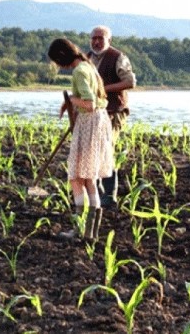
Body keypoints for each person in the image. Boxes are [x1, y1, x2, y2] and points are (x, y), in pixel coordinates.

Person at [47, 38, 114, 240]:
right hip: (97, 122)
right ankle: (89, 233)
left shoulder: (80, 71)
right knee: (88, 179)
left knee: (77, 178)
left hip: (90, 123)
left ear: (62, 57)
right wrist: (70, 104)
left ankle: (80, 230)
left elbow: (90, 103)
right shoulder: (88, 66)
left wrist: (71, 100)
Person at [87, 25, 137, 208]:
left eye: (101, 38)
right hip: (92, 111)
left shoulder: (117, 57)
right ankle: (97, 191)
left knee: (106, 149)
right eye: (94, 38)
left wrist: (104, 90)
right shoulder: (87, 58)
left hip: (114, 111)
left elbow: (130, 82)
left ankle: (110, 195)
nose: (97, 41)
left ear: (109, 40)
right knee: (92, 150)